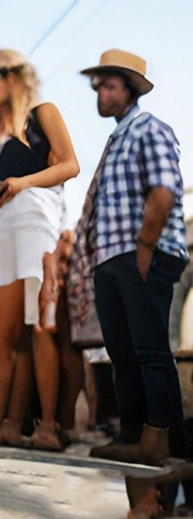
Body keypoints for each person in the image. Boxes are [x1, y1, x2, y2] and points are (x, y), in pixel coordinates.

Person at [0, 49, 78, 450]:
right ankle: (2, 425)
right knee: (4, 334)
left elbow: (70, 165)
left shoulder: (43, 112)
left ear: (17, 74)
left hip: (36, 215)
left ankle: (48, 426)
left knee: (41, 326)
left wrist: (22, 183)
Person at [77, 50, 187, 466]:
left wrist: (145, 248)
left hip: (143, 254)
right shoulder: (116, 139)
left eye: (109, 86)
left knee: (150, 350)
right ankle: (133, 434)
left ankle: (162, 439)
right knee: (122, 354)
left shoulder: (150, 129)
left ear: (130, 89)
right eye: (98, 88)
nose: (101, 95)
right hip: (111, 258)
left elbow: (163, 191)